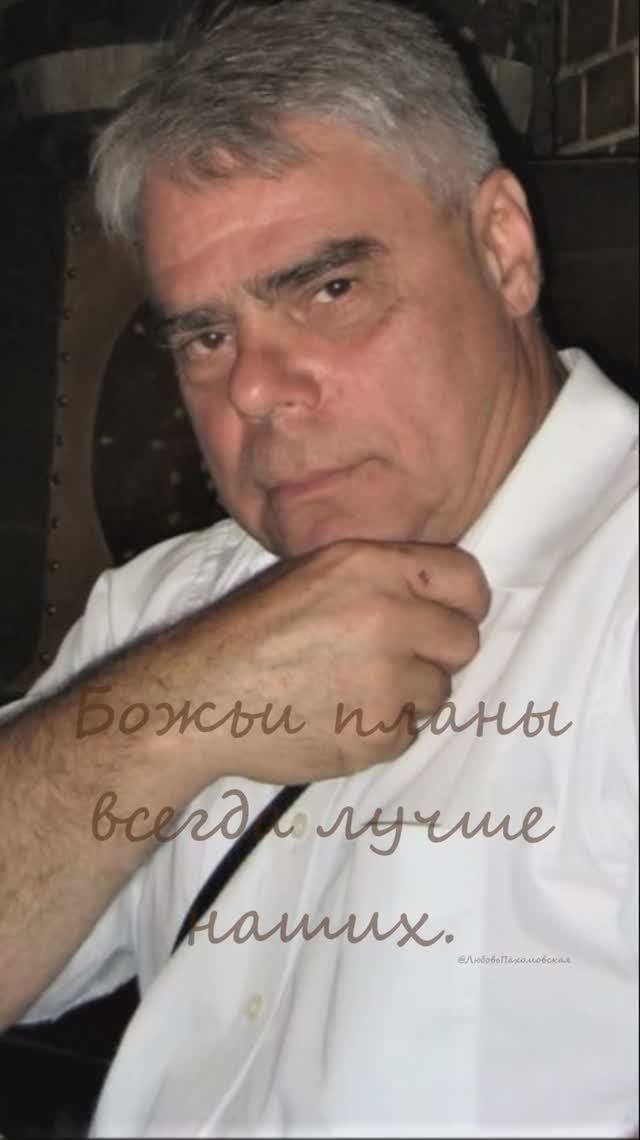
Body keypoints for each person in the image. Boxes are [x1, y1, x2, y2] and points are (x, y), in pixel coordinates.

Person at [0, 0, 637, 1134]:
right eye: (205, 336)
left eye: (327, 289)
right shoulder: (173, 608)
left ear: (503, 248)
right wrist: (173, 712)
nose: (251, 388)